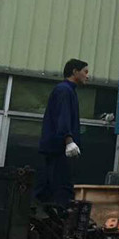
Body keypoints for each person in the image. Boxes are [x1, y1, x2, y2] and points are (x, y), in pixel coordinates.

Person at [35, 58, 89, 206]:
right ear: (75, 71)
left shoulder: (67, 91)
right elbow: (63, 116)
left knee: (48, 189)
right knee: (62, 190)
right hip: (58, 150)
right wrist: (69, 140)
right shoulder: (64, 90)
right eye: (85, 72)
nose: (87, 76)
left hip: (56, 150)